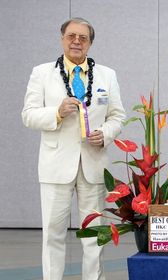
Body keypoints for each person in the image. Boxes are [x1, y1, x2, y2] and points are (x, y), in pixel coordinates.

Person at [22, 17, 126, 280]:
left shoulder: (107, 74)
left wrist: (105, 134)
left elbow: (118, 116)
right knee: (53, 235)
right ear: (62, 39)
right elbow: (29, 115)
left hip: (93, 165)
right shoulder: (42, 73)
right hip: (55, 166)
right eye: (71, 36)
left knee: (94, 236)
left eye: (83, 37)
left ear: (90, 43)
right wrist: (56, 113)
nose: (76, 41)